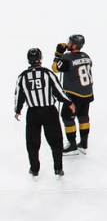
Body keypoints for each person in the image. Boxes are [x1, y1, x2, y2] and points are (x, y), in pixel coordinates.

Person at [15, 48, 74, 178]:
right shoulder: (48, 73)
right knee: (56, 141)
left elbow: (19, 95)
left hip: (33, 113)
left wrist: (17, 109)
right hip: (49, 112)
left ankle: (34, 169)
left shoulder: (23, 76)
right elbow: (59, 91)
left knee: (32, 142)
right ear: (40, 59)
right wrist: (69, 102)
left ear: (28, 60)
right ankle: (58, 168)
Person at [52, 35, 93, 156]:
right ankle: (84, 144)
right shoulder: (86, 56)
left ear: (74, 45)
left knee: (66, 116)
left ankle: (72, 145)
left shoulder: (67, 57)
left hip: (74, 94)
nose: (68, 44)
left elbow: (55, 68)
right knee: (83, 116)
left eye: (70, 42)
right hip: (87, 92)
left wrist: (58, 54)